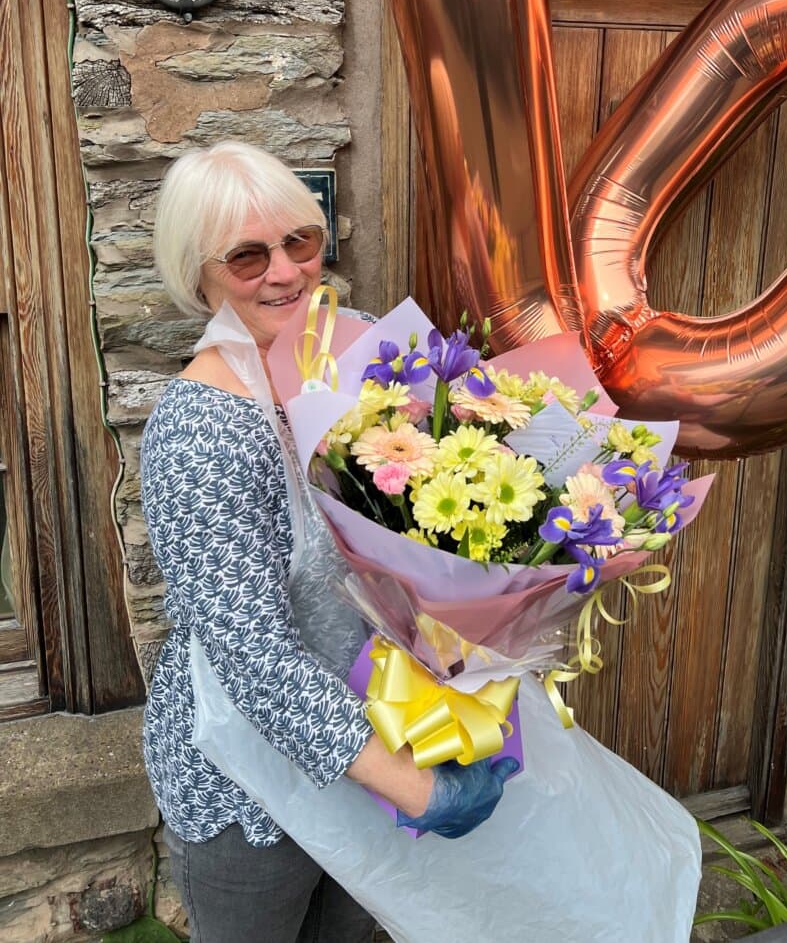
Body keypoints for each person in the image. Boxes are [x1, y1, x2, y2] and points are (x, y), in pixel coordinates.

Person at [141, 141, 514, 943]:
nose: (285, 272)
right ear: (198, 273)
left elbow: (456, 494)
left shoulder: (367, 350)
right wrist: (414, 790)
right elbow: (252, 656)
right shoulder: (199, 427)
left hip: (384, 726)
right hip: (251, 781)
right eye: (247, 256)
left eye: (300, 242)